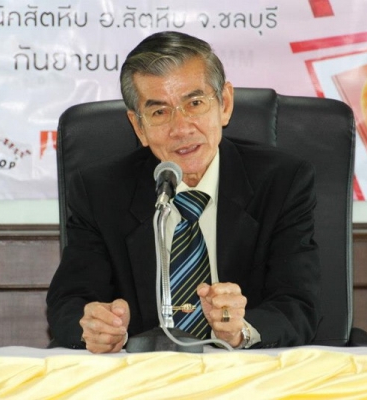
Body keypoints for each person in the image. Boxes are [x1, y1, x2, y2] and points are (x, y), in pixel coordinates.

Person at [46, 31, 321, 353]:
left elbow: (298, 304)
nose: (181, 128)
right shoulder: (100, 192)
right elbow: (70, 303)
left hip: (244, 371)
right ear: (138, 127)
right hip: (144, 373)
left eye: (195, 103)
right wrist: (95, 325)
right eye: (159, 112)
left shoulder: (282, 182)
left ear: (225, 104)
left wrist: (242, 329)